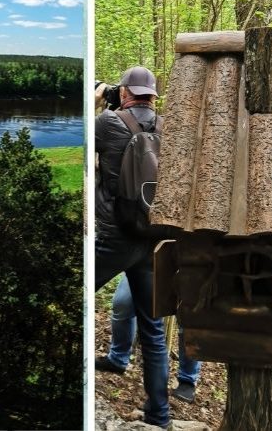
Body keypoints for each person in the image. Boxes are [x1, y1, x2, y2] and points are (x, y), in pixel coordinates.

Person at [95, 66, 169, 428]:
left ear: (125, 91)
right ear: (153, 95)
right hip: (151, 242)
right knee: (153, 331)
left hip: (114, 239)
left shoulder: (108, 122)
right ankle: (160, 415)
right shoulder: (169, 127)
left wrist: (95, 104)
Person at [98, 274, 202, 403]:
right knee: (123, 303)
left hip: (189, 265)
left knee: (190, 320)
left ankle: (188, 380)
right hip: (148, 259)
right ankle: (117, 359)